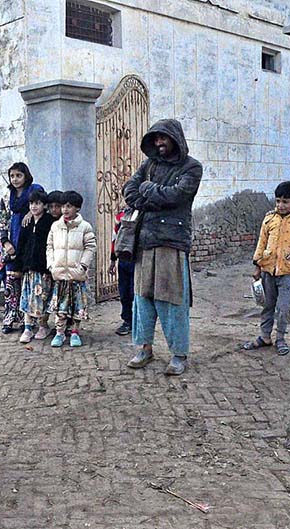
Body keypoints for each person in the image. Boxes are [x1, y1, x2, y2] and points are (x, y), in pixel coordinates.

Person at [123, 119, 203, 375]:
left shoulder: (192, 167)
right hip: (145, 242)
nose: (159, 143)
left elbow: (177, 196)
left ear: (175, 139)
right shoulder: (148, 165)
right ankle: (144, 348)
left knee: (172, 300)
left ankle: (179, 354)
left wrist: (148, 190)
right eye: (156, 139)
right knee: (142, 299)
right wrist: (154, 196)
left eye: (164, 138)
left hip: (172, 241)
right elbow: (129, 191)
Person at [242, 181, 290, 356]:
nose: (280, 205)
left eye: (285, 202)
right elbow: (261, 242)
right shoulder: (269, 219)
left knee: (283, 308)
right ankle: (264, 337)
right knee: (267, 305)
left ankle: (281, 339)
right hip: (268, 271)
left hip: (288, 272)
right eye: (278, 201)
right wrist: (257, 267)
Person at [46, 191, 96, 347]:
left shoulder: (85, 226)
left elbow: (90, 247)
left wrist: (83, 266)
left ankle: (75, 333)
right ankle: (59, 333)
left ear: (77, 208)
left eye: (69, 206)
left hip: (76, 276)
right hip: (60, 276)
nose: (65, 210)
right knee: (60, 308)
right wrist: (51, 265)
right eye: (63, 206)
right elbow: (50, 246)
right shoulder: (55, 226)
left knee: (77, 308)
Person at [0, 163, 44, 334]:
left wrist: (31, 213)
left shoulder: (35, 190)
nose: (15, 179)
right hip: (12, 240)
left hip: (30, 240)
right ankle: (10, 317)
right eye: (12, 176)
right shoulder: (6, 195)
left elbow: (43, 205)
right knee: (11, 279)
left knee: (29, 280)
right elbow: (1, 221)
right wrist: (5, 242)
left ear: (26, 176)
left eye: (19, 175)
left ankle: (30, 318)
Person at [15, 190, 54, 343]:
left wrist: (49, 267)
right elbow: (21, 244)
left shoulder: (50, 222)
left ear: (44, 205)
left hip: (43, 268)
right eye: (32, 203)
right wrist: (19, 266)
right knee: (26, 297)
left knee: (43, 298)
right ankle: (27, 328)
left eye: (37, 203)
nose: (34, 206)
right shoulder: (27, 222)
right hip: (28, 268)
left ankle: (43, 325)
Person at [108, 206, 136, 336]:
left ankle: (138, 321)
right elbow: (115, 239)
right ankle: (127, 321)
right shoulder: (121, 216)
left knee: (135, 293)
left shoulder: (144, 214)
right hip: (124, 261)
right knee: (124, 293)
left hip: (138, 260)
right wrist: (113, 260)